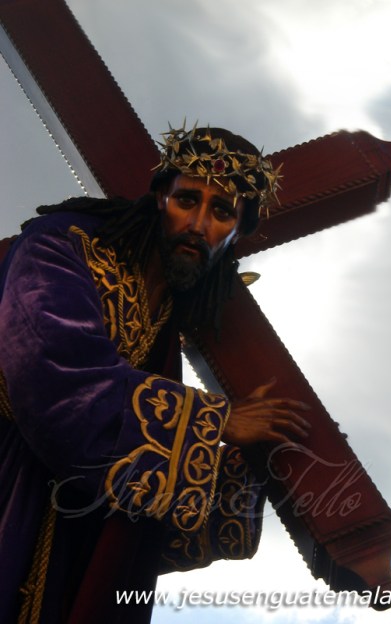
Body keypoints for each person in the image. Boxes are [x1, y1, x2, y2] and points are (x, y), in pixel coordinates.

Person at [0, 124, 310, 623]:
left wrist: (249, 461)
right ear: (159, 197)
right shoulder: (63, 244)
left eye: (222, 212)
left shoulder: (166, 327)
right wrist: (215, 422)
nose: (198, 224)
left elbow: (152, 529)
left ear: (237, 233)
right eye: (187, 199)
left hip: (70, 554)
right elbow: (52, 379)